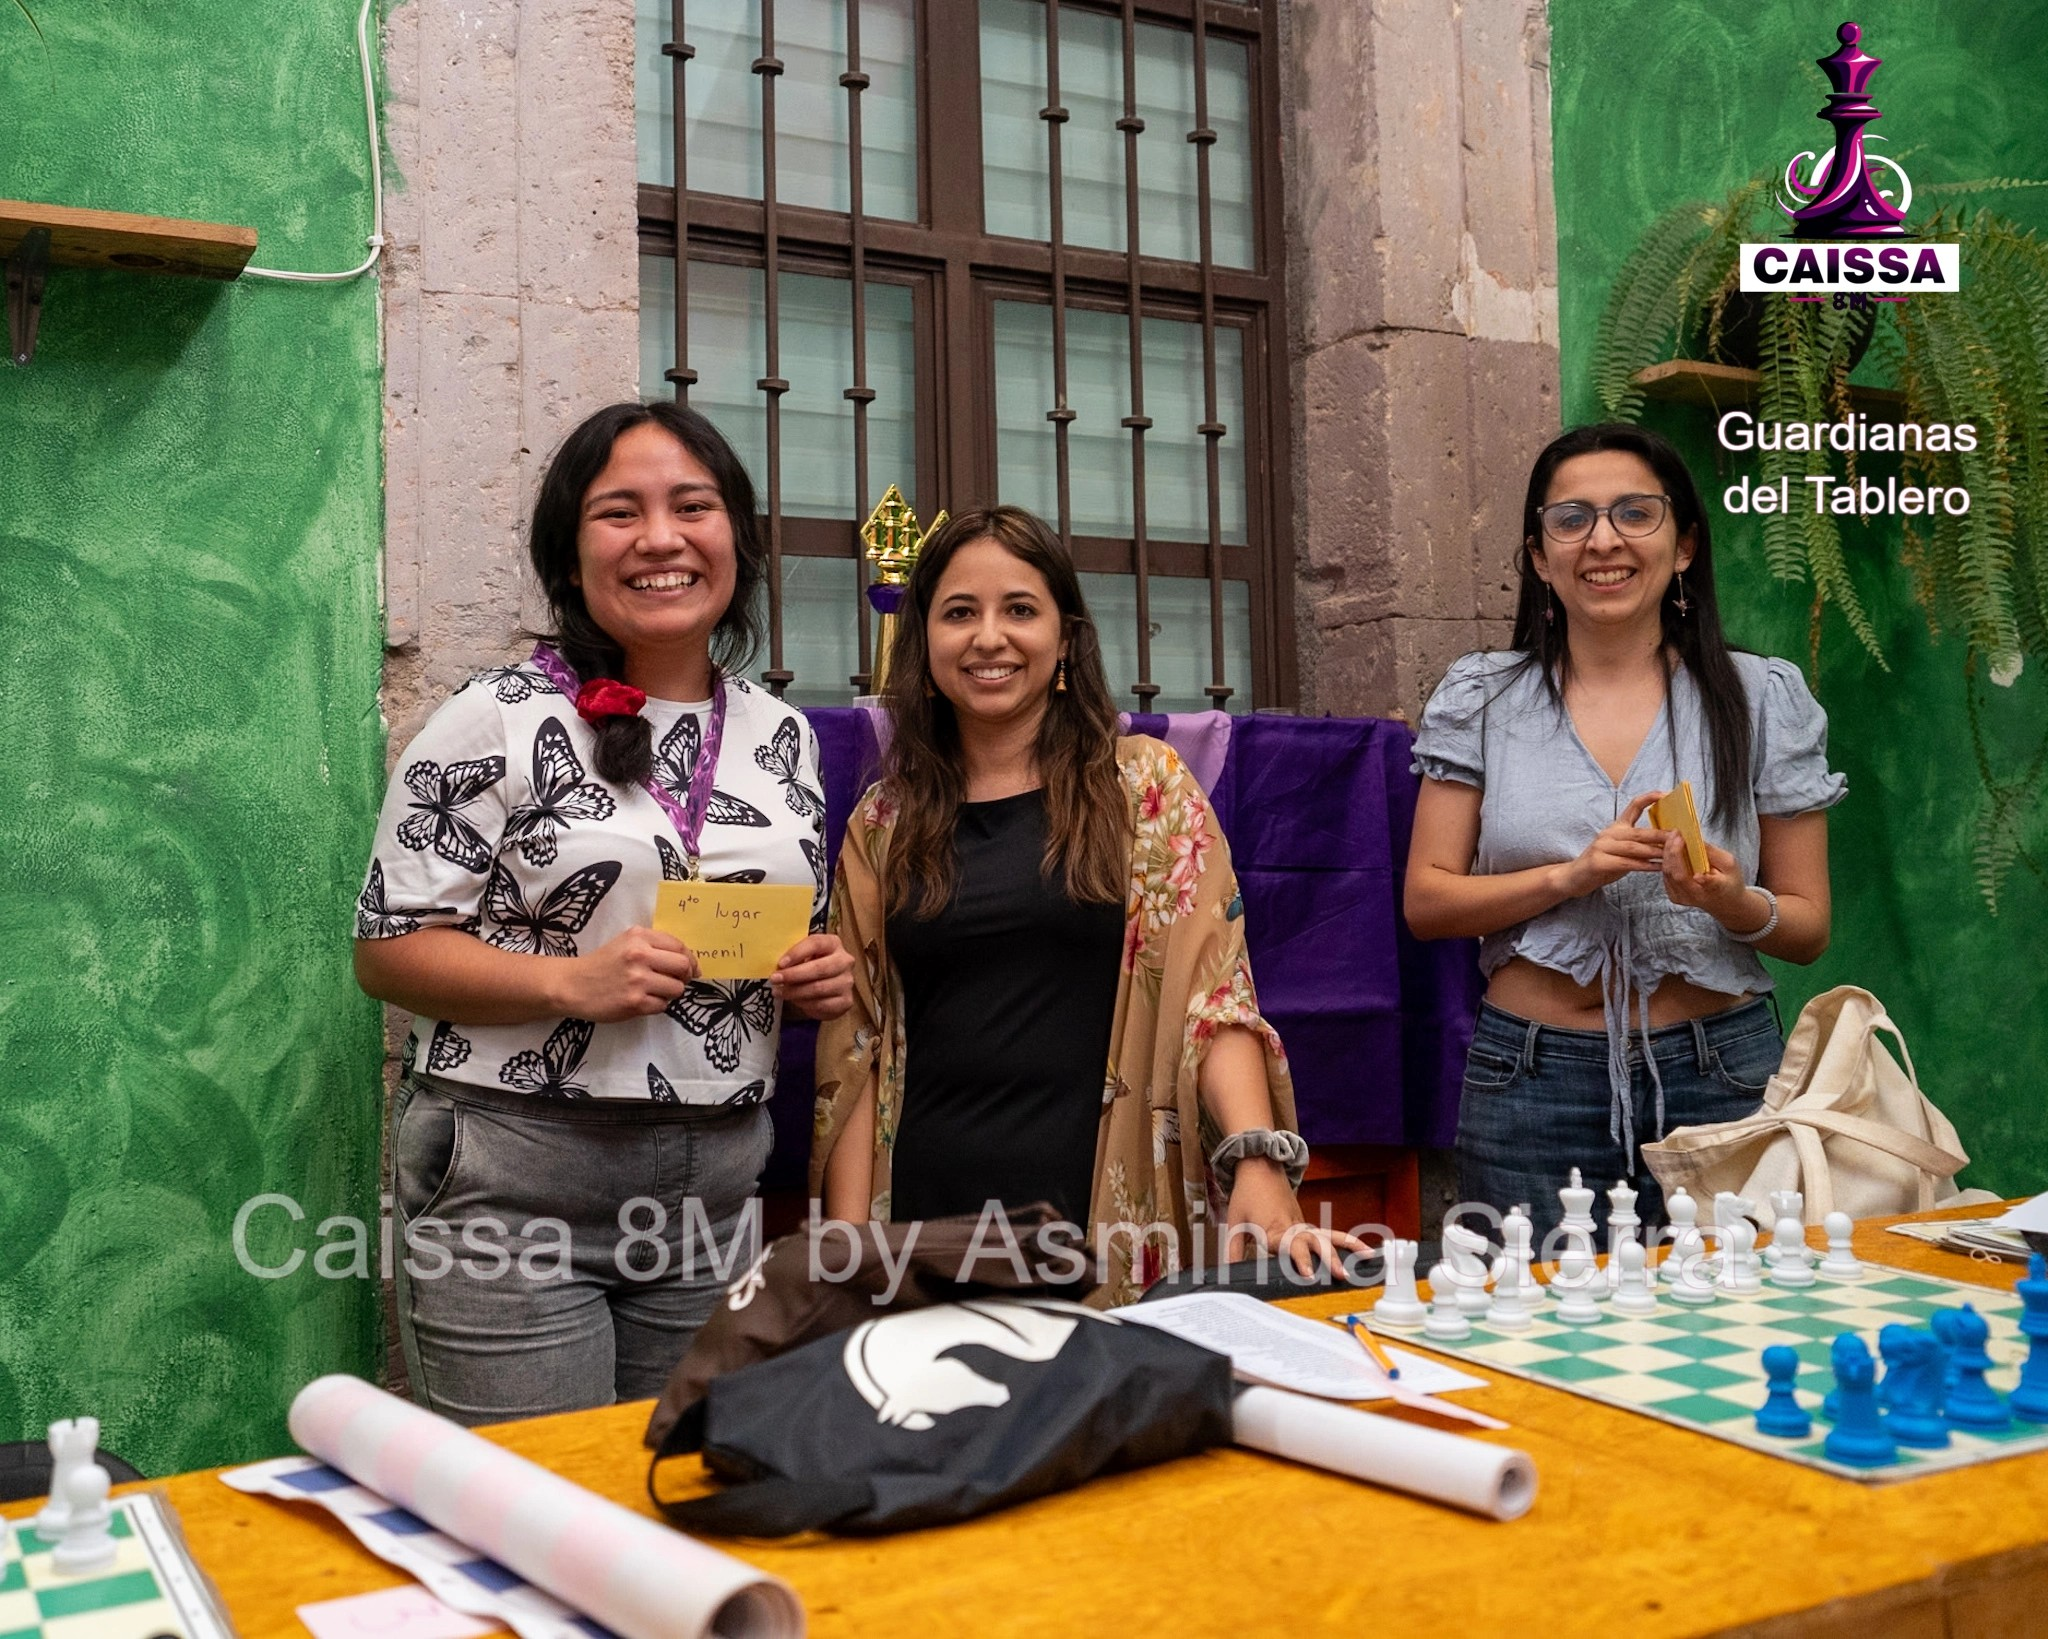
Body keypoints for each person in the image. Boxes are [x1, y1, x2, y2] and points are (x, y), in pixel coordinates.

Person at [354, 400, 855, 1423]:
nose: (661, 539)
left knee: (680, 1482)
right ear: (569, 553)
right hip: (517, 1177)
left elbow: (771, 936)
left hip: (715, 1184)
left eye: (692, 507)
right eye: (620, 512)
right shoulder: (496, 716)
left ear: (736, 539)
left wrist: (811, 976)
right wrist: (567, 982)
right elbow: (387, 950)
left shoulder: (782, 735)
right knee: (535, 1499)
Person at [812, 505, 1362, 1304]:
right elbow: (854, 1048)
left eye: (1020, 609)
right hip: (925, 1224)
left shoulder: (1146, 789)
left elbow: (1213, 1000)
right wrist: (849, 1255)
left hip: (1103, 1223)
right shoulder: (883, 822)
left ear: (1065, 638)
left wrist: (1256, 1155)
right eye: (959, 612)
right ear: (924, 641)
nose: (989, 637)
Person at [1403, 423, 1844, 1245]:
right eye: (1571, 519)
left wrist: (1730, 899)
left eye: (1635, 513)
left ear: (1684, 546)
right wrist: (1567, 877)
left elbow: (1809, 925)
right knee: (1536, 1313)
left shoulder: (1760, 696)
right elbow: (1426, 902)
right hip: (1530, 1077)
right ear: (1540, 557)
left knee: (1732, 1314)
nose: (1603, 540)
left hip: (1721, 1073)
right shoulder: (1481, 696)